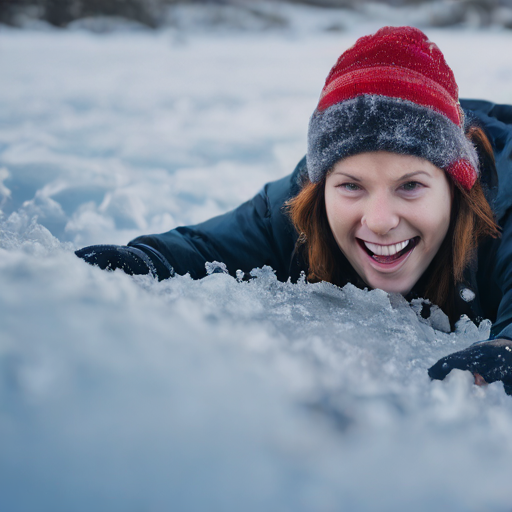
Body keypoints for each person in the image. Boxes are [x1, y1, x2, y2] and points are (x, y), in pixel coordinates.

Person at [76, 26, 512, 394]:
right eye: (351, 186)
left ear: (456, 187)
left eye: (411, 186)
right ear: (320, 186)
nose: (379, 221)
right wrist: (139, 263)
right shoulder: (300, 204)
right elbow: (203, 248)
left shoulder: (504, 208)